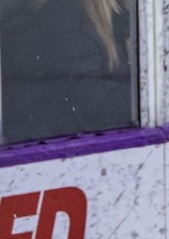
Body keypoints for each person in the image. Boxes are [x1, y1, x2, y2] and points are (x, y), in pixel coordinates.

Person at [0, 0, 135, 144]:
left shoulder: (116, 16)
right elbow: (87, 97)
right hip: (51, 149)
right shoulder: (68, 18)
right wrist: (142, 98)